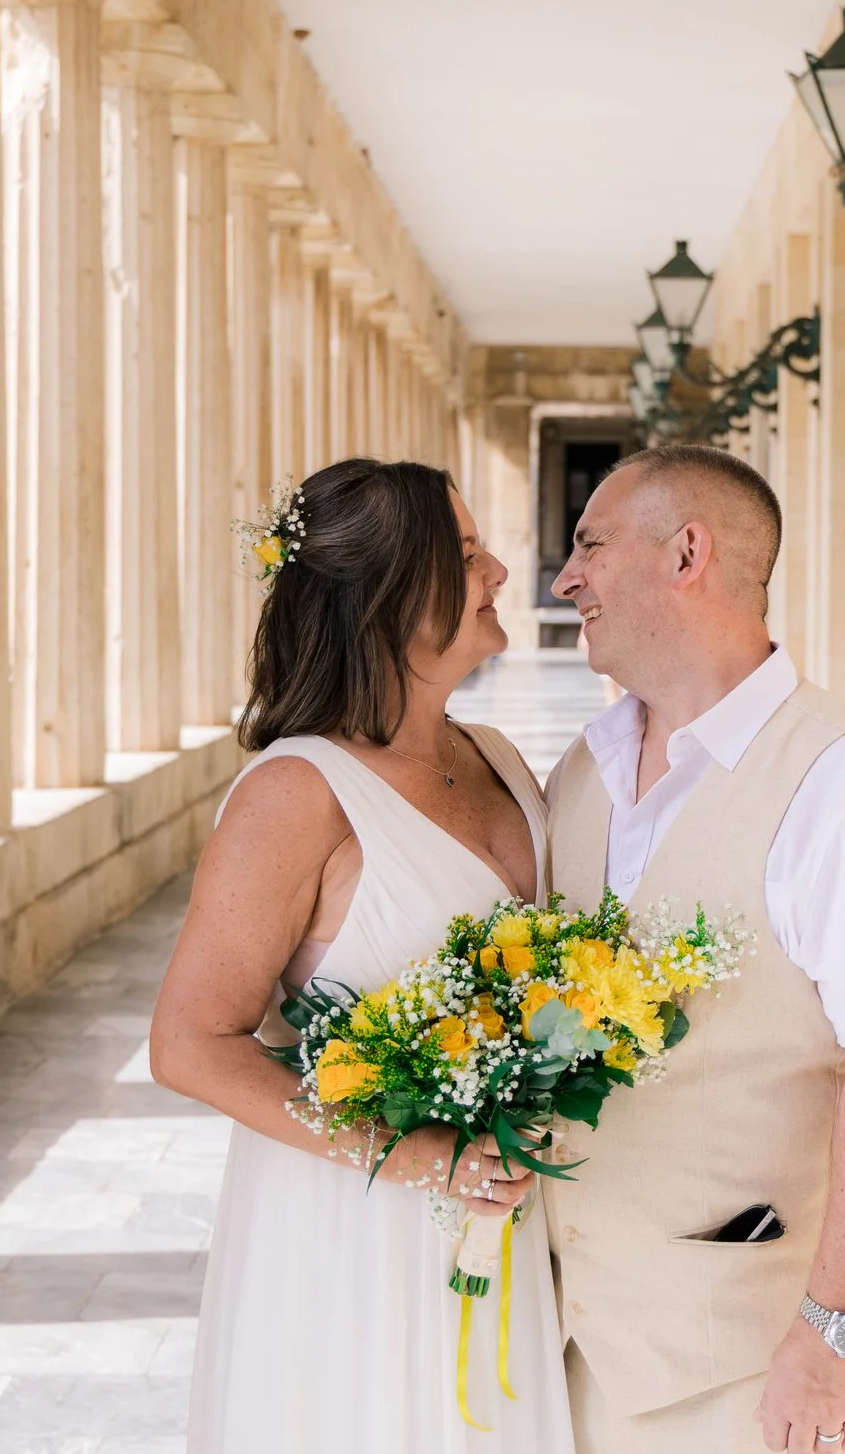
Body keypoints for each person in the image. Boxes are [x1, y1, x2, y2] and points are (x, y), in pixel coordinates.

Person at [150, 458, 574, 1453]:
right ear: (392, 594)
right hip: (355, 1227)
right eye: (467, 555)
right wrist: (424, 1156)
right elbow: (189, 1041)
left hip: (506, 1211)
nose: (502, 570)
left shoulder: (499, 757)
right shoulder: (296, 793)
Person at [543, 444, 845, 1454]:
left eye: (590, 544)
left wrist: (835, 1334)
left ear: (687, 553)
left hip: (756, 1364)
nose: (565, 578)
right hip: (567, 1346)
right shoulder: (581, 771)